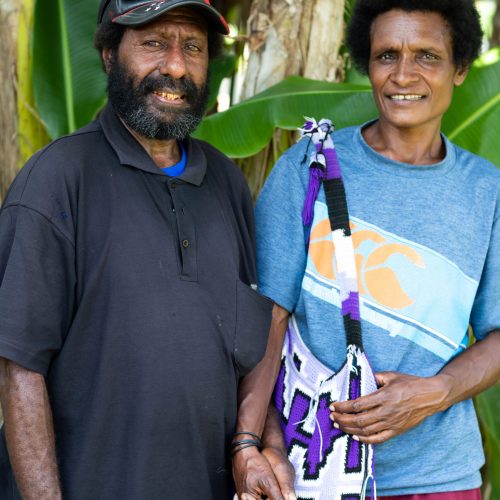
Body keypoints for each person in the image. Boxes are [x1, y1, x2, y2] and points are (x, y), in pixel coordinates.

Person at [0, 1, 273, 498]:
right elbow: (20, 367)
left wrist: (252, 447)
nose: (175, 65)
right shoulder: (57, 182)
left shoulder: (227, 185)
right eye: (153, 43)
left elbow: (252, 345)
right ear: (107, 53)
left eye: (192, 47)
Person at [232, 0, 500, 499]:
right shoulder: (310, 166)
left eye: (427, 56)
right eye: (386, 56)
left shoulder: (488, 193)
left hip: (438, 477)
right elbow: (265, 320)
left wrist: (434, 394)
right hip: (313, 470)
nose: (404, 75)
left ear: (460, 68)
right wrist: (251, 442)